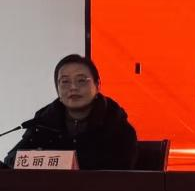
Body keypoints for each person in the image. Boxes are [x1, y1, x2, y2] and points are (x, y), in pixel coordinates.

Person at [3, 54, 137, 170]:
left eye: (81, 81)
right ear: (57, 89)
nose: (73, 87)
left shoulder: (115, 123)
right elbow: (11, 159)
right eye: (65, 82)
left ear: (97, 85)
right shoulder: (43, 122)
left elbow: (122, 170)